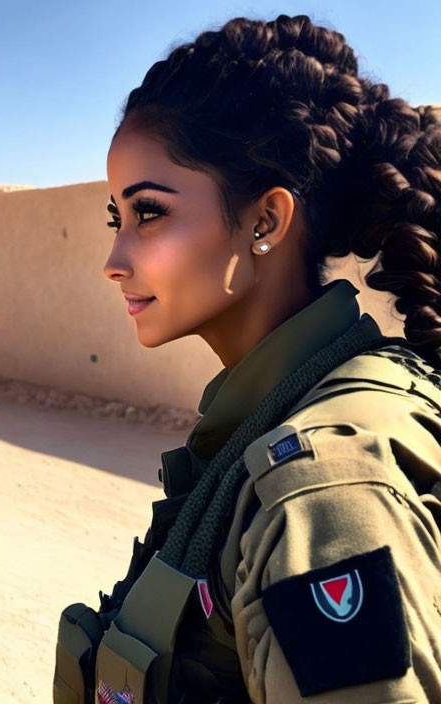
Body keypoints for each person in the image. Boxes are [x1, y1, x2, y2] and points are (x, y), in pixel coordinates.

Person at [54, 14, 441, 704]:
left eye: (148, 213)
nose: (114, 262)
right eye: (117, 218)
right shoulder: (281, 411)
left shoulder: (324, 495)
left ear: (265, 221)